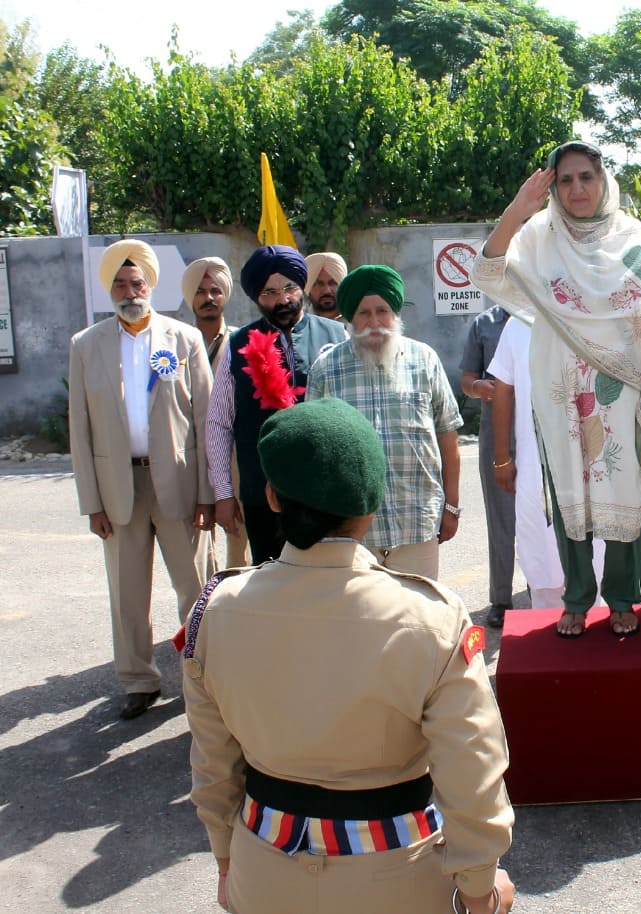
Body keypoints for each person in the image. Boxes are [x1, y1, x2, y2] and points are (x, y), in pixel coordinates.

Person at [182, 397, 515, 914]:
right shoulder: (431, 617)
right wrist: (478, 889)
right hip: (397, 876)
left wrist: (228, 862)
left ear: (272, 497)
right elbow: (471, 772)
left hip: (264, 867)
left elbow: (214, 766)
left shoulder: (216, 610)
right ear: (372, 503)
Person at [472, 139, 641, 639]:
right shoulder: (539, 235)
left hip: (622, 385)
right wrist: (517, 211)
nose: (576, 188)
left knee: (623, 490)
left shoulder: (632, 236)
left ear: (602, 178)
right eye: (565, 180)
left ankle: (621, 599)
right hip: (560, 385)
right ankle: (576, 599)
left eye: (585, 176)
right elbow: (488, 272)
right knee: (570, 488)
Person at [68, 239, 214, 719]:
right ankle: (138, 680)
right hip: (118, 489)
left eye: (137, 283)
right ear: (108, 291)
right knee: (127, 595)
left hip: (178, 484)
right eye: (119, 284)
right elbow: (79, 430)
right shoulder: (86, 345)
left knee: (195, 589)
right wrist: (92, 503)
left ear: (150, 286)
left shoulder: (183, 339)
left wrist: (208, 495)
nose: (129, 292)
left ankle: (203, 674)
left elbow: (206, 420)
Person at [309, 265, 463, 579]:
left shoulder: (425, 360)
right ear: (350, 318)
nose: (375, 322)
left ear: (395, 314)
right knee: (361, 610)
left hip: (417, 521)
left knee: (418, 607)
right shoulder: (326, 368)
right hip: (351, 531)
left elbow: (448, 436)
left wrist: (451, 506)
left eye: (383, 311)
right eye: (364, 313)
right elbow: (314, 449)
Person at [207, 245, 346, 563]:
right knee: (269, 578)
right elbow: (219, 423)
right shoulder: (237, 344)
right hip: (262, 493)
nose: (282, 300)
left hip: (324, 491)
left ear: (301, 288)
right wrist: (224, 493)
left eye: (289, 288)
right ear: (257, 297)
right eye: (269, 292)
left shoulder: (337, 335)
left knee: (326, 576)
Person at [486, 317, 606, 611]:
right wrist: (501, 459)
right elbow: (503, 387)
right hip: (535, 469)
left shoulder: (597, 313)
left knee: (596, 571)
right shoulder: (520, 321)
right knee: (545, 575)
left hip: (595, 467)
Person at [182, 255, 249, 569]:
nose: (208, 298)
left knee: (239, 543)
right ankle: (204, 600)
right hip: (189, 458)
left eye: (215, 291)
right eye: (200, 291)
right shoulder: (176, 344)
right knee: (194, 547)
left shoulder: (242, 342)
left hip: (232, 457)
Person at [460, 304, 517, 627]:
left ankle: (545, 589)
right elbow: (467, 379)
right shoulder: (484, 324)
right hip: (497, 435)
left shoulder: (544, 312)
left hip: (539, 431)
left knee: (544, 518)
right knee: (501, 520)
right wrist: (478, 387)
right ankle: (502, 599)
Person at [304, 252, 348, 322]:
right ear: (308, 288)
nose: (326, 291)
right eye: (319, 284)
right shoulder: (297, 324)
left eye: (333, 283)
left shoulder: (358, 322)